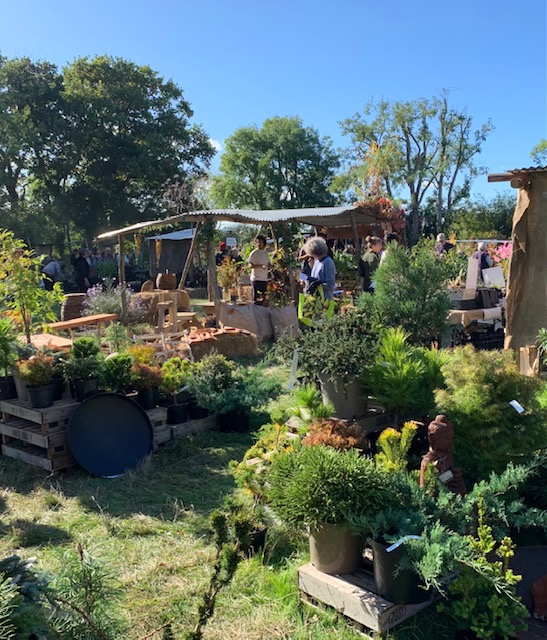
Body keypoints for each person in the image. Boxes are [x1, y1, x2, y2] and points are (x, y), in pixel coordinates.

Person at [247, 235, 270, 305]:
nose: (259, 244)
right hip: (256, 278)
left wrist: (270, 266)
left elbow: (268, 263)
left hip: (264, 278)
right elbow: (250, 265)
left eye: (260, 242)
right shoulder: (254, 253)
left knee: (263, 298)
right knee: (256, 299)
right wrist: (260, 266)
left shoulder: (266, 253)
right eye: (258, 242)